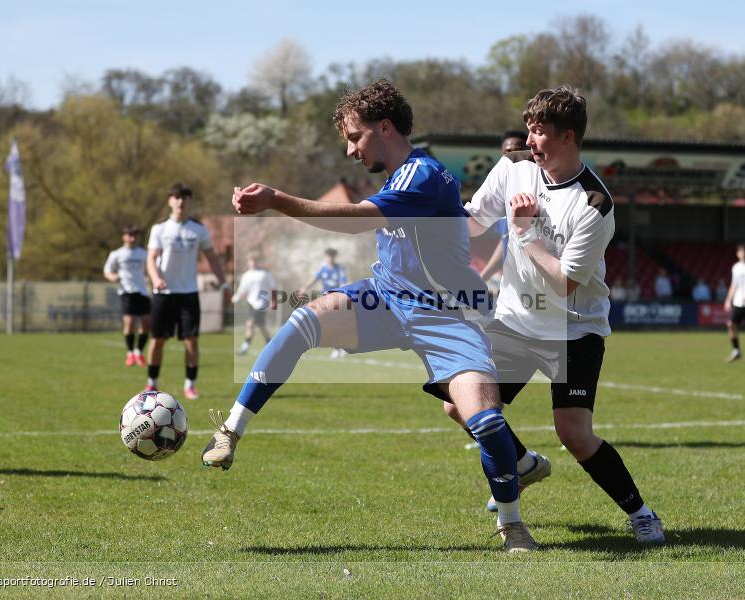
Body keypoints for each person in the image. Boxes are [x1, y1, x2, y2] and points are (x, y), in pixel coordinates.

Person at [203, 79, 537, 552]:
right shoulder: (399, 176)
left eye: (354, 137)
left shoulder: (422, 175)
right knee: (301, 322)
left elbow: (356, 220)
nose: (349, 150)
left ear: (385, 128)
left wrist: (276, 200)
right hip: (384, 298)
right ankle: (230, 431)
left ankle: (512, 523)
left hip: (448, 314)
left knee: (484, 421)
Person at [432, 86, 664, 544]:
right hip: (517, 319)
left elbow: (565, 282)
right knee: (458, 402)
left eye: (540, 133)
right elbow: (475, 220)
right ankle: (521, 463)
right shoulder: (516, 165)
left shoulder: (594, 205)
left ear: (569, 137)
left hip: (572, 328)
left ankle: (642, 514)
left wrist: (525, 232)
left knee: (574, 433)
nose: (531, 140)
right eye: (529, 130)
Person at [146, 183, 228, 400]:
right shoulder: (159, 229)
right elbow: (151, 259)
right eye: (176, 197)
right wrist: (156, 279)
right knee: (157, 340)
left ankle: (190, 385)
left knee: (191, 340)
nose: (181, 201)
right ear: (170, 201)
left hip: (189, 294)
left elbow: (212, 258)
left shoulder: (199, 230)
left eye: (185, 198)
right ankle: (151, 383)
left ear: (190, 202)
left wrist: (224, 284)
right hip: (163, 294)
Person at [479, 131, 529, 283]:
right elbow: (506, 242)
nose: (512, 156)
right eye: (507, 152)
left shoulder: (535, 192)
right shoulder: (503, 196)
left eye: (518, 150)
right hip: (514, 284)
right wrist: (483, 278)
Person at [103, 225, 151, 366]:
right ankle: (130, 353)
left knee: (147, 323)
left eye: (135, 235)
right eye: (129, 235)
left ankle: (139, 353)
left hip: (142, 291)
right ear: (123, 237)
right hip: (126, 292)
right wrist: (112, 277)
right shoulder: (117, 254)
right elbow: (107, 271)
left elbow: (151, 269)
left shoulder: (143, 254)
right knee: (129, 323)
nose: (132, 238)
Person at [298, 248, 349, 358]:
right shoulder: (323, 268)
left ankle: (339, 347)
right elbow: (314, 279)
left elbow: (344, 283)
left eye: (331, 256)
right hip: (325, 299)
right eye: (328, 256)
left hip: (336, 299)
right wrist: (304, 288)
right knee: (325, 322)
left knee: (334, 323)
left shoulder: (339, 269)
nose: (329, 258)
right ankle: (340, 346)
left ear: (334, 257)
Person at [232, 255, 277, 356]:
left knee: (250, 323)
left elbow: (273, 287)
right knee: (262, 326)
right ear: (248, 262)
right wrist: (235, 298)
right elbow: (242, 290)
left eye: (255, 261)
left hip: (262, 303)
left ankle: (244, 347)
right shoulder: (246, 275)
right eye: (251, 260)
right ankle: (272, 346)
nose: (253, 263)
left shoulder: (265, 274)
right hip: (251, 303)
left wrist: (273, 301)